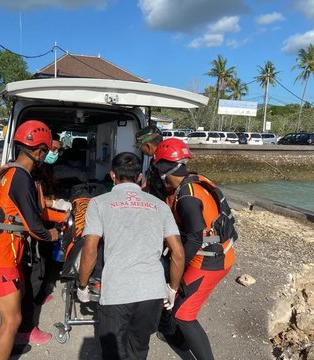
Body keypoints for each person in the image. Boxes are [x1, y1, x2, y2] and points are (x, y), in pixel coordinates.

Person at [77, 152, 185, 360]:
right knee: (139, 349)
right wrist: (172, 288)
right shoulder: (160, 205)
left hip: (117, 292)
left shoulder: (99, 203)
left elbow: (90, 247)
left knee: (114, 353)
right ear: (140, 177)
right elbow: (178, 252)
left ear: (112, 175)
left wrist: (82, 285)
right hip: (152, 292)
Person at [0, 120, 69, 360]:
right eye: (47, 151)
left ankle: (15, 342)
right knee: (11, 320)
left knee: (16, 306)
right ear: (39, 150)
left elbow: (29, 209)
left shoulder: (9, 170)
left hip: (2, 249)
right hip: (1, 255)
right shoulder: (21, 177)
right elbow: (35, 226)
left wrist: (59, 213)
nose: (46, 155)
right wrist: (55, 234)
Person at [152, 138, 236, 360]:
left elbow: (194, 240)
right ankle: (180, 338)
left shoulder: (187, 198)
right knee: (180, 301)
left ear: (161, 168)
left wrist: (174, 280)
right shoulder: (192, 183)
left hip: (211, 261)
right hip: (213, 253)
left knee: (184, 314)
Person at [17, 135, 70, 344]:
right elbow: (36, 212)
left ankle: (34, 302)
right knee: (30, 275)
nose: (53, 154)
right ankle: (24, 329)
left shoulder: (24, 174)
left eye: (57, 150)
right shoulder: (25, 176)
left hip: (22, 235)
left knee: (37, 268)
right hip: (18, 239)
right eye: (50, 149)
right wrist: (58, 217)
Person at [134, 124, 165, 200]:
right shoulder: (154, 161)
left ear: (148, 146)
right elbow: (147, 184)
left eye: (141, 147)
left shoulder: (164, 163)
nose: (140, 150)